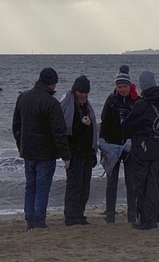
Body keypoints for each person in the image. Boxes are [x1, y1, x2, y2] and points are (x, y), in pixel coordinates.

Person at [12, 67, 71, 231]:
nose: (55, 87)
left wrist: (20, 144)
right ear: (51, 83)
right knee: (42, 187)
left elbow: (16, 126)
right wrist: (66, 155)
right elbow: (59, 131)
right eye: (54, 84)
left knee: (30, 186)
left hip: (28, 152)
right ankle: (39, 220)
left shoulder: (23, 97)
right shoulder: (51, 103)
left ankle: (30, 219)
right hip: (46, 153)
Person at [121, 70, 159, 230]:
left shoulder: (141, 105)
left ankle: (145, 220)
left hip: (141, 149)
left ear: (142, 86)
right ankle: (154, 216)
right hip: (157, 147)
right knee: (153, 183)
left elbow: (127, 126)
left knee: (141, 184)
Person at [99, 65, 138, 223]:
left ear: (130, 86)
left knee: (131, 182)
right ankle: (110, 215)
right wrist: (102, 142)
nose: (122, 89)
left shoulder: (136, 101)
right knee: (111, 182)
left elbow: (140, 124)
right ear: (116, 87)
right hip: (112, 147)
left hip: (129, 148)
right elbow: (104, 122)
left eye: (125, 86)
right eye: (119, 87)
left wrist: (133, 141)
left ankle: (132, 214)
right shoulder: (111, 100)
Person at [61, 75, 98, 226]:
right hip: (73, 152)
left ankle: (80, 215)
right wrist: (81, 124)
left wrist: (93, 152)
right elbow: (64, 130)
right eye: (80, 92)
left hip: (87, 152)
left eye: (85, 92)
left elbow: (93, 131)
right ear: (74, 90)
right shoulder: (67, 104)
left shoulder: (87, 106)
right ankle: (71, 217)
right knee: (73, 186)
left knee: (84, 186)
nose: (83, 95)